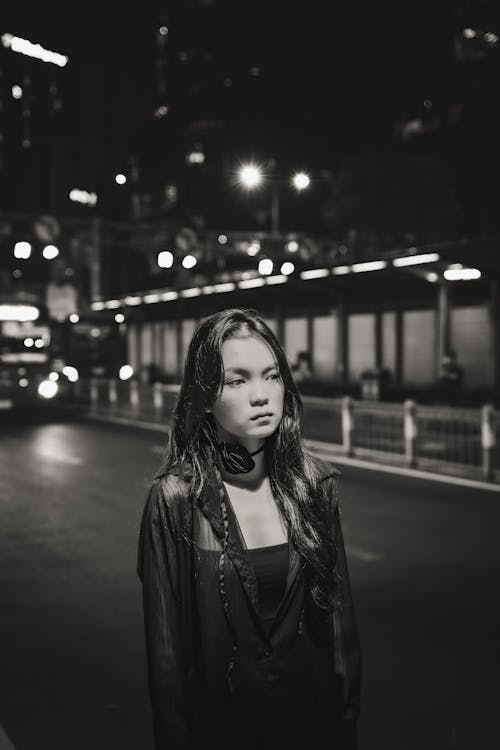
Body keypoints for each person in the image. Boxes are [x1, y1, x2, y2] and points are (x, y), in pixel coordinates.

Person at [137, 308, 361, 750]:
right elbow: (167, 660)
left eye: (272, 375)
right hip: (221, 731)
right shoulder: (177, 499)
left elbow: (340, 635)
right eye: (237, 380)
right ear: (203, 396)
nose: (262, 395)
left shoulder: (314, 488)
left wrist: (346, 727)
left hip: (310, 728)